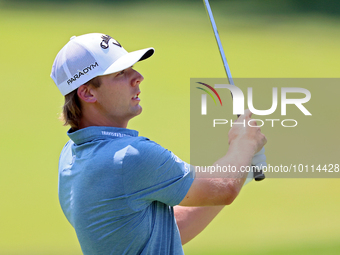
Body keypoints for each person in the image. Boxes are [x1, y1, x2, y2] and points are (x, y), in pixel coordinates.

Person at [51, 33, 267, 255]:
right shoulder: (130, 157)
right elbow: (225, 188)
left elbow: (168, 230)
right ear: (87, 93)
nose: (138, 76)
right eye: (120, 73)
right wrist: (243, 143)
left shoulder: (71, 155)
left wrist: (243, 168)